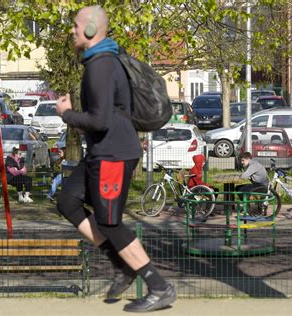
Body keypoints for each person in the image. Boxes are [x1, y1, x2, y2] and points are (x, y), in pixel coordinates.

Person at [55, 5, 176, 313]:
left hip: (113, 154)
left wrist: (66, 114)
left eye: (76, 26)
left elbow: (99, 120)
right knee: (68, 200)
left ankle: (159, 287)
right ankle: (121, 264)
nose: (72, 30)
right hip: (102, 152)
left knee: (110, 222)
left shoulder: (101, 66)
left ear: (91, 30)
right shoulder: (100, 61)